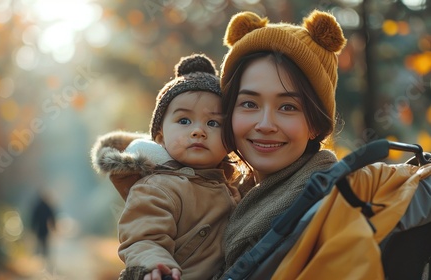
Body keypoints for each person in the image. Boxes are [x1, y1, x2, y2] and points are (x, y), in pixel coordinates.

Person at [148, 9, 431, 280]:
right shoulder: (223, 193)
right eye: (249, 103)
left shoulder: (341, 199)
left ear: (315, 125)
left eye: (287, 107)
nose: (265, 124)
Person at [91, 54, 244, 280]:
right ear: (160, 137)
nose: (198, 131)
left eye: (213, 123)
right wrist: (154, 263)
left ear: (229, 138)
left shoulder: (234, 185)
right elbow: (143, 237)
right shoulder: (157, 187)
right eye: (184, 121)